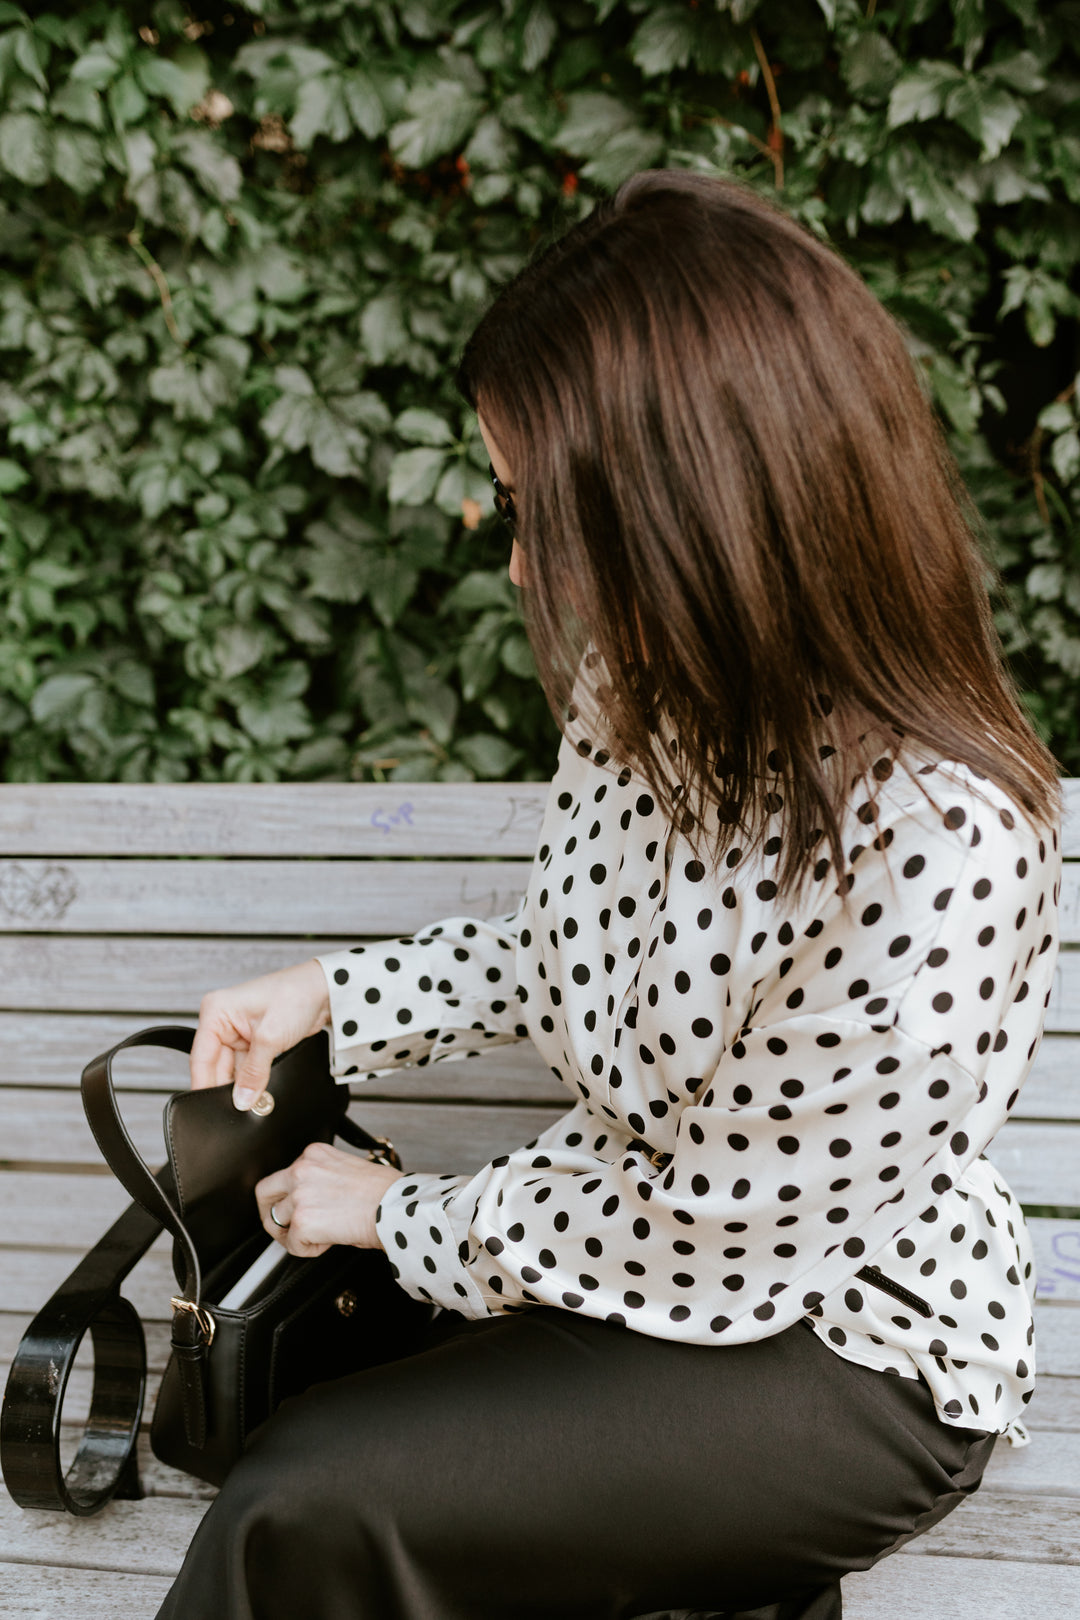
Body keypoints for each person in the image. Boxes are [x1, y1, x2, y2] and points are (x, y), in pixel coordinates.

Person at [153, 170, 1062, 1620]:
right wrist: (337, 996)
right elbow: (575, 953)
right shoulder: (648, 689)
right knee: (318, 1445)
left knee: (304, 1499)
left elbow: (714, 1226)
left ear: (702, 500)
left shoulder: (942, 841)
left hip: (836, 1345)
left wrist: (399, 1217)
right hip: (624, 1262)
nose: (521, 564)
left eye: (538, 512)